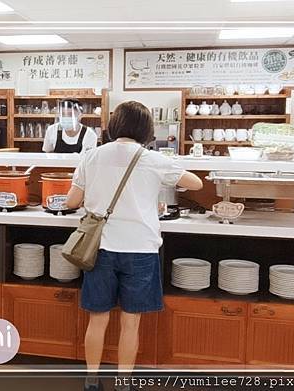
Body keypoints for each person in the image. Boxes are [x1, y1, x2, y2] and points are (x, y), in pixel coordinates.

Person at [66, 101, 203, 391]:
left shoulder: (91, 156)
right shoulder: (152, 159)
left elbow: (72, 202)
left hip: (99, 248)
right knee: (131, 324)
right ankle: (123, 383)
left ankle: (91, 380)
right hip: (141, 250)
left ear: (114, 126)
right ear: (147, 130)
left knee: (98, 320)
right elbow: (196, 184)